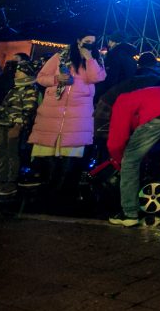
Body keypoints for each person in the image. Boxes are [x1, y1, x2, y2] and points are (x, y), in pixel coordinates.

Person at [26, 33, 106, 199]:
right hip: (53, 110)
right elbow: (41, 78)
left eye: (93, 42)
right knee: (48, 154)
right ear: (78, 41)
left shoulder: (96, 59)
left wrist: (89, 58)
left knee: (71, 156)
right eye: (86, 42)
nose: (90, 45)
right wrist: (57, 79)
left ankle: (64, 193)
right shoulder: (60, 56)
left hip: (78, 113)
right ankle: (46, 190)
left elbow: (96, 78)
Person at [107, 85, 160, 226]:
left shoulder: (122, 100)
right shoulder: (149, 93)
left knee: (130, 162)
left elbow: (117, 138)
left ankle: (130, 214)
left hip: (158, 116)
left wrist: (119, 160)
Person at [0, 60, 41, 197]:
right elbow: (3, 107)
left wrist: (18, 126)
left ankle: (10, 183)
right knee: (2, 154)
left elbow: (28, 110)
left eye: (19, 71)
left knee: (12, 155)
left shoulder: (30, 90)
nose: (16, 73)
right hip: (4, 125)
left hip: (14, 127)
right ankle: (1, 181)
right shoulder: (14, 89)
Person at [98, 31, 137, 98]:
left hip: (111, 93)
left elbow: (110, 77)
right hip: (125, 93)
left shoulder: (113, 55)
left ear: (113, 41)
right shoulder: (131, 57)